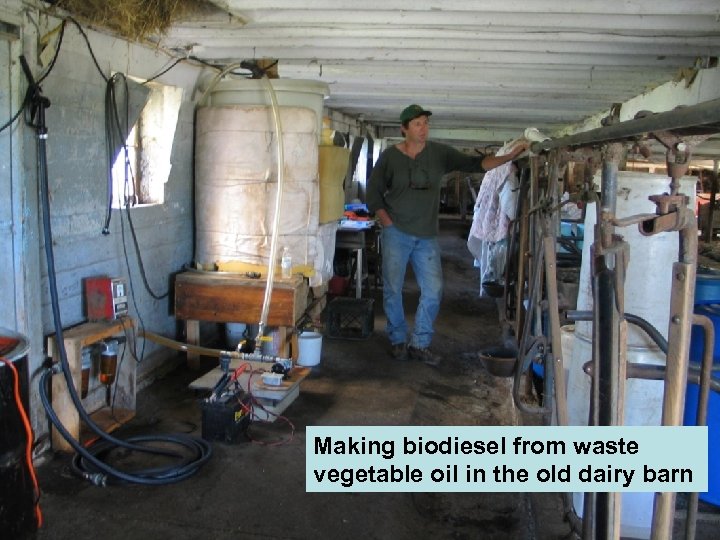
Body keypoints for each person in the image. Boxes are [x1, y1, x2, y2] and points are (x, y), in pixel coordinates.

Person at [367, 104, 528, 365]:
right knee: (392, 289)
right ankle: (398, 340)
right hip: (396, 233)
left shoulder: (439, 154)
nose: (423, 129)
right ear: (404, 129)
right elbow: (373, 193)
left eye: (426, 123)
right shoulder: (389, 158)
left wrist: (509, 156)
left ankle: (420, 343)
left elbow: (476, 164)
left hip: (427, 236)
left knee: (433, 290)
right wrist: (387, 222)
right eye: (417, 124)